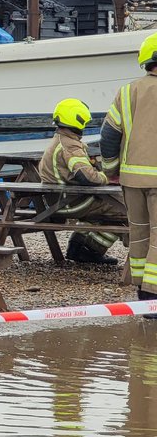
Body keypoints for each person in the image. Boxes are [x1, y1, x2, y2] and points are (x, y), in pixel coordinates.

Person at [100, 31, 157, 302]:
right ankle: (154, 297)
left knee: (140, 234)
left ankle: (142, 294)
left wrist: (111, 170)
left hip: (132, 180)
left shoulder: (127, 92)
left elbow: (109, 135)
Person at [40, 98, 118, 263]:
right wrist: (108, 178)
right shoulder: (70, 145)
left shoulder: (61, 140)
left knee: (108, 206)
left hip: (62, 201)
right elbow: (87, 176)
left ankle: (77, 247)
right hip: (69, 203)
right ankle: (91, 250)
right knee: (125, 208)